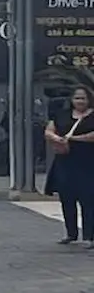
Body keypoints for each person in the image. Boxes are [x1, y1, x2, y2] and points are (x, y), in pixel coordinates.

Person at [44, 84, 94, 246]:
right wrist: (56, 138)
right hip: (65, 161)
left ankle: (89, 235)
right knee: (67, 198)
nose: (80, 101)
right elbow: (49, 131)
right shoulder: (62, 115)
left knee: (89, 199)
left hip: (87, 162)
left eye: (83, 98)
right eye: (77, 98)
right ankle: (71, 233)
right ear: (71, 100)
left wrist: (73, 138)